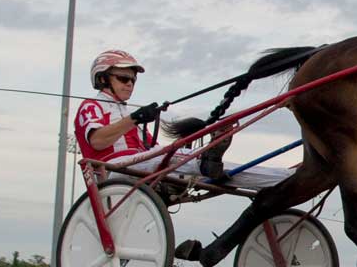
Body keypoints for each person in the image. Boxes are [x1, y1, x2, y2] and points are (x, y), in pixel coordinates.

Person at [73, 49, 291, 187]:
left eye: (133, 80)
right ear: (102, 79)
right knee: (184, 158)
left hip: (140, 167)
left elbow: (152, 150)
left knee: (218, 173)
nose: (129, 84)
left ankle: (282, 178)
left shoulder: (126, 114)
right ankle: (206, 160)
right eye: (123, 78)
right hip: (112, 169)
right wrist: (136, 118)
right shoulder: (92, 106)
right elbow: (97, 141)